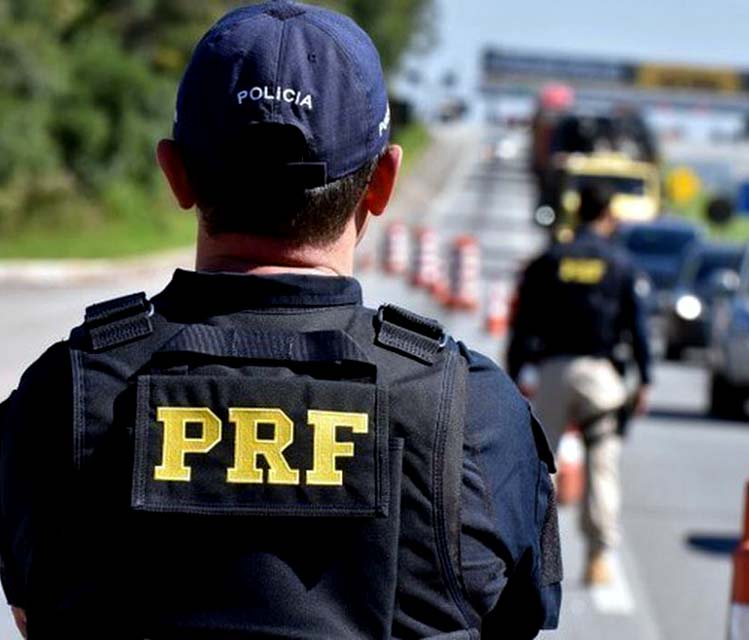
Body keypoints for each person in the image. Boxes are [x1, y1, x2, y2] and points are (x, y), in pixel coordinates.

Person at [0, 2, 561, 638]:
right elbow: (516, 620)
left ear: (175, 174)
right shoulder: (472, 411)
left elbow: (31, 611)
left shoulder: (61, 396)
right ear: (382, 184)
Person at [507, 183, 652, 585]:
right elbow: (637, 327)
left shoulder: (550, 260)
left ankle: (527, 556)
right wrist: (646, 380)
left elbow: (523, 321)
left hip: (554, 372)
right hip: (600, 377)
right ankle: (599, 558)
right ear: (608, 216)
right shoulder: (621, 264)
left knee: (539, 467)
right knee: (603, 464)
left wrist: (514, 370)